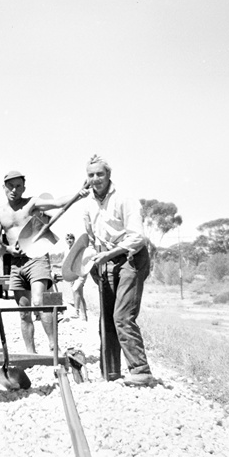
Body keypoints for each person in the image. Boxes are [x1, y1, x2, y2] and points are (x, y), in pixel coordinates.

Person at [0, 170, 88, 354]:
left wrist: (78, 194)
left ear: (24, 187)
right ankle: (31, 353)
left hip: (37, 258)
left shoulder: (32, 203)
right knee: (24, 311)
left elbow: (58, 202)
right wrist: (7, 249)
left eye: (18, 186)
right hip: (16, 263)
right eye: (10, 186)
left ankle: (53, 346)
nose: (14, 190)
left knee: (39, 301)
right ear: (4, 188)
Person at [82, 155, 155, 387]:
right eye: (91, 175)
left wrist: (110, 255)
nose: (95, 179)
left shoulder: (125, 200)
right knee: (106, 318)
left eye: (100, 174)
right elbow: (90, 238)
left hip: (131, 258)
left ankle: (141, 372)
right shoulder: (88, 204)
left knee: (122, 316)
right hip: (105, 261)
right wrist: (93, 261)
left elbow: (137, 237)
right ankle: (111, 372)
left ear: (109, 175)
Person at [64, 233, 88, 321]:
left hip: (80, 272)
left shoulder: (76, 249)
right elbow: (65, 263)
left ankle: (76, 311)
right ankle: (84, 316)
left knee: (76, 289)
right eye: (67, 239)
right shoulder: (67, 250)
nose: (69, 240)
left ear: (74, 240)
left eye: (71, 239)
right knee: (79, 294)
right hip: (72, 273)